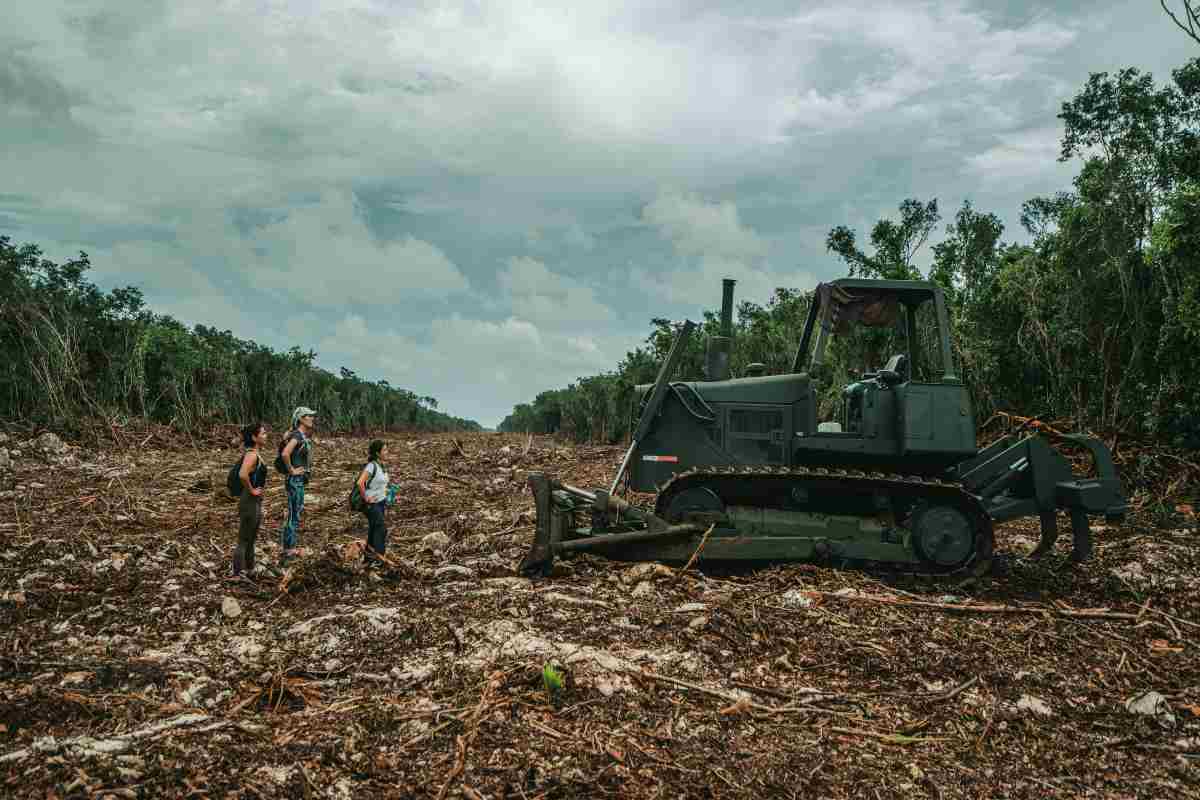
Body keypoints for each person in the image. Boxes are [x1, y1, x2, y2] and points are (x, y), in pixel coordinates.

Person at [279, 406, 316, 565]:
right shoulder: (297, 435)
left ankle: (291, 548)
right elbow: (285, 453)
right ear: (301, 419)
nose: (312, 418)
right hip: (295, 481)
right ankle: (288, 552)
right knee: (294, 515)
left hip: (299, 481)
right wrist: (292, 470)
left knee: (296, 513)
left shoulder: (300, 435)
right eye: (309, 416)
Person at [232, 421, 268, 578]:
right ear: (254, 437)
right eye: (263, 433)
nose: (266, 436)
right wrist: (252, 490)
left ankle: (250, 570)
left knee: (251, 538)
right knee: (243, 539)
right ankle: (237, 574)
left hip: (254, 501)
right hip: (249, 501)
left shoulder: (254, 453)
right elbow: (242, 474)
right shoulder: (252, 455)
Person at [356, 439, 390, 565]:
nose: (387, 452)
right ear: (377, 453)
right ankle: (380, 558)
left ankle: (368, 558)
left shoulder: (382, 466)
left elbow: (380, 483)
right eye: (385, 450)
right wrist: (366, 498)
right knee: (381, 528)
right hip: (371, 504)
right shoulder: (371, 466)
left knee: (373, 528)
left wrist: (388, 492)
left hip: (381, 502)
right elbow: (360, 483)